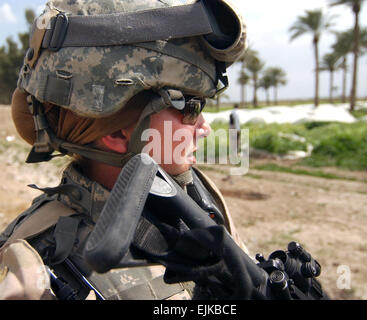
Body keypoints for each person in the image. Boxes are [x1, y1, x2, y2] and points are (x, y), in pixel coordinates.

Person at [0, 0, 248, 300]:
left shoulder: (195, 196)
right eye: (190, 107)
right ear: (118, 131)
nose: (204, 127)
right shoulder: (33, 276)